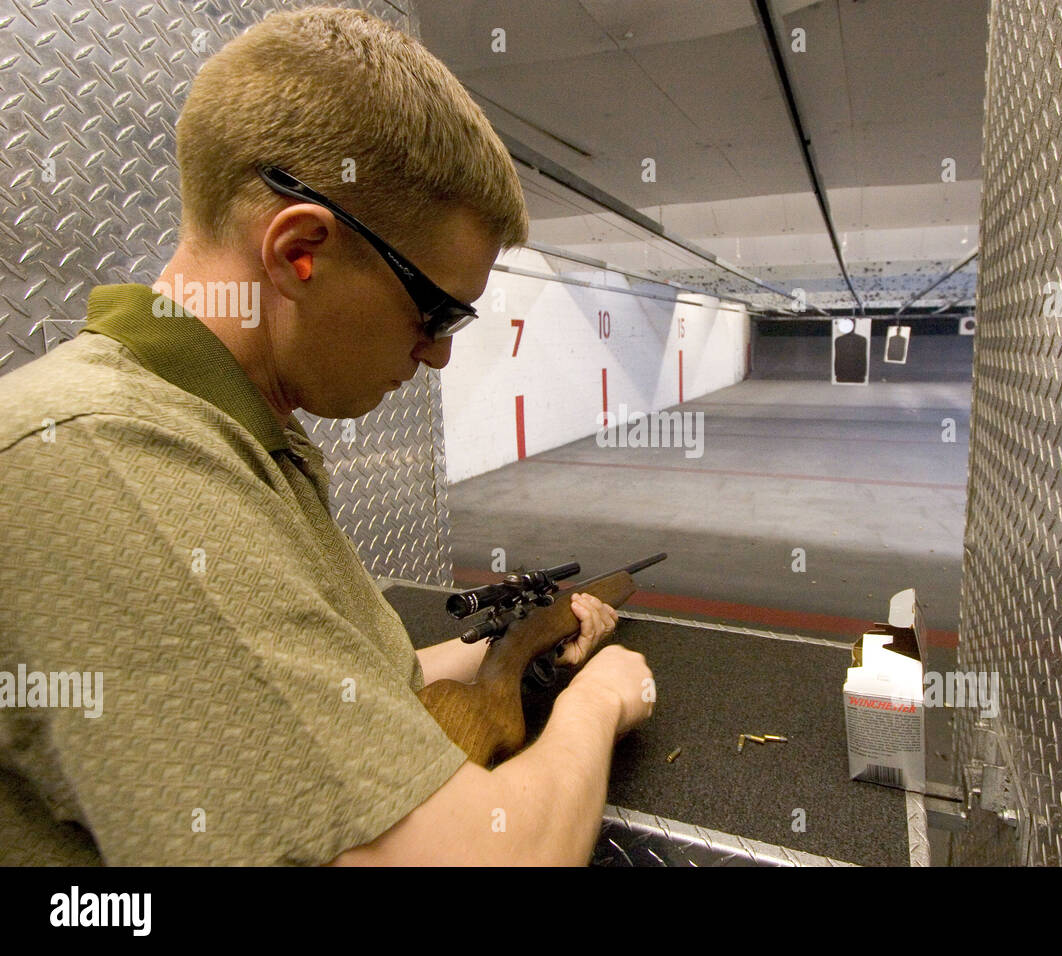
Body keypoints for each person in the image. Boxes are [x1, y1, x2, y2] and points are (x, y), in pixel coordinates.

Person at [0, 6, 653, 866]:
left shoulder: (231, 436)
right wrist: (599, 702)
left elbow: (320, 693)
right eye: (436, 309)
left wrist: (515, 643)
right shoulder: (112, 460)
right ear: (300, 250)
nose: (440, 354)